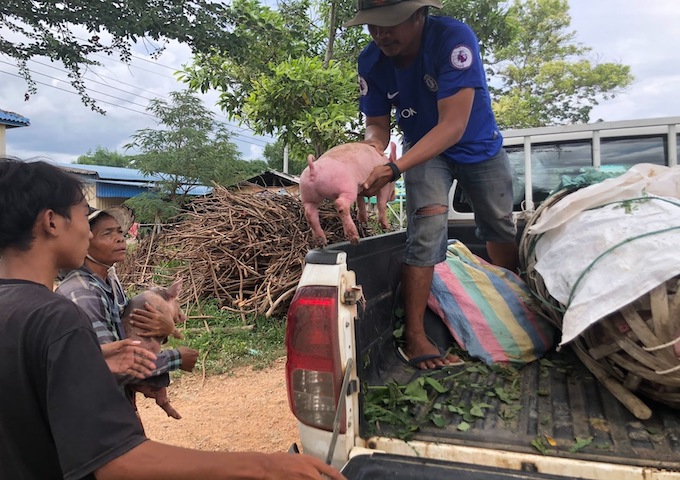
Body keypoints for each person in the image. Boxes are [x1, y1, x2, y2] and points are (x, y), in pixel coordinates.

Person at [0, 157, 345, 480]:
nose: (89, 232)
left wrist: (92, 361)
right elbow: (115, 461)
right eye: (81, 216)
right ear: (51, 222)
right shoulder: (57, 316)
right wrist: (268, 466)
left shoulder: (23, 309)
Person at [345, 0, 519, 369]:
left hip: (479, 148)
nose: (381, 34)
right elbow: (377, 126)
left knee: (499, 224)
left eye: (390, 23)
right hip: (424, 152)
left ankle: (516, 303)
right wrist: (369, 154)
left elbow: (453, 126)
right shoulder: (370, 61)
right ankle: (415, 334)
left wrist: (393, 170)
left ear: (420, 14)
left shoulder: (453, 38)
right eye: (372, 25)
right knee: (425, 231)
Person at [56, 205, 198, 413]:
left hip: (115, 401)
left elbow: (126, 332)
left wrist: (163, 329)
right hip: (95, 410)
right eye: (107, 233)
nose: (120, 238)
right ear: (84, 242)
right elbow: (106, 366)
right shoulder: (84, 293)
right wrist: (176, 358)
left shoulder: (109, 281)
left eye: (119, 232)